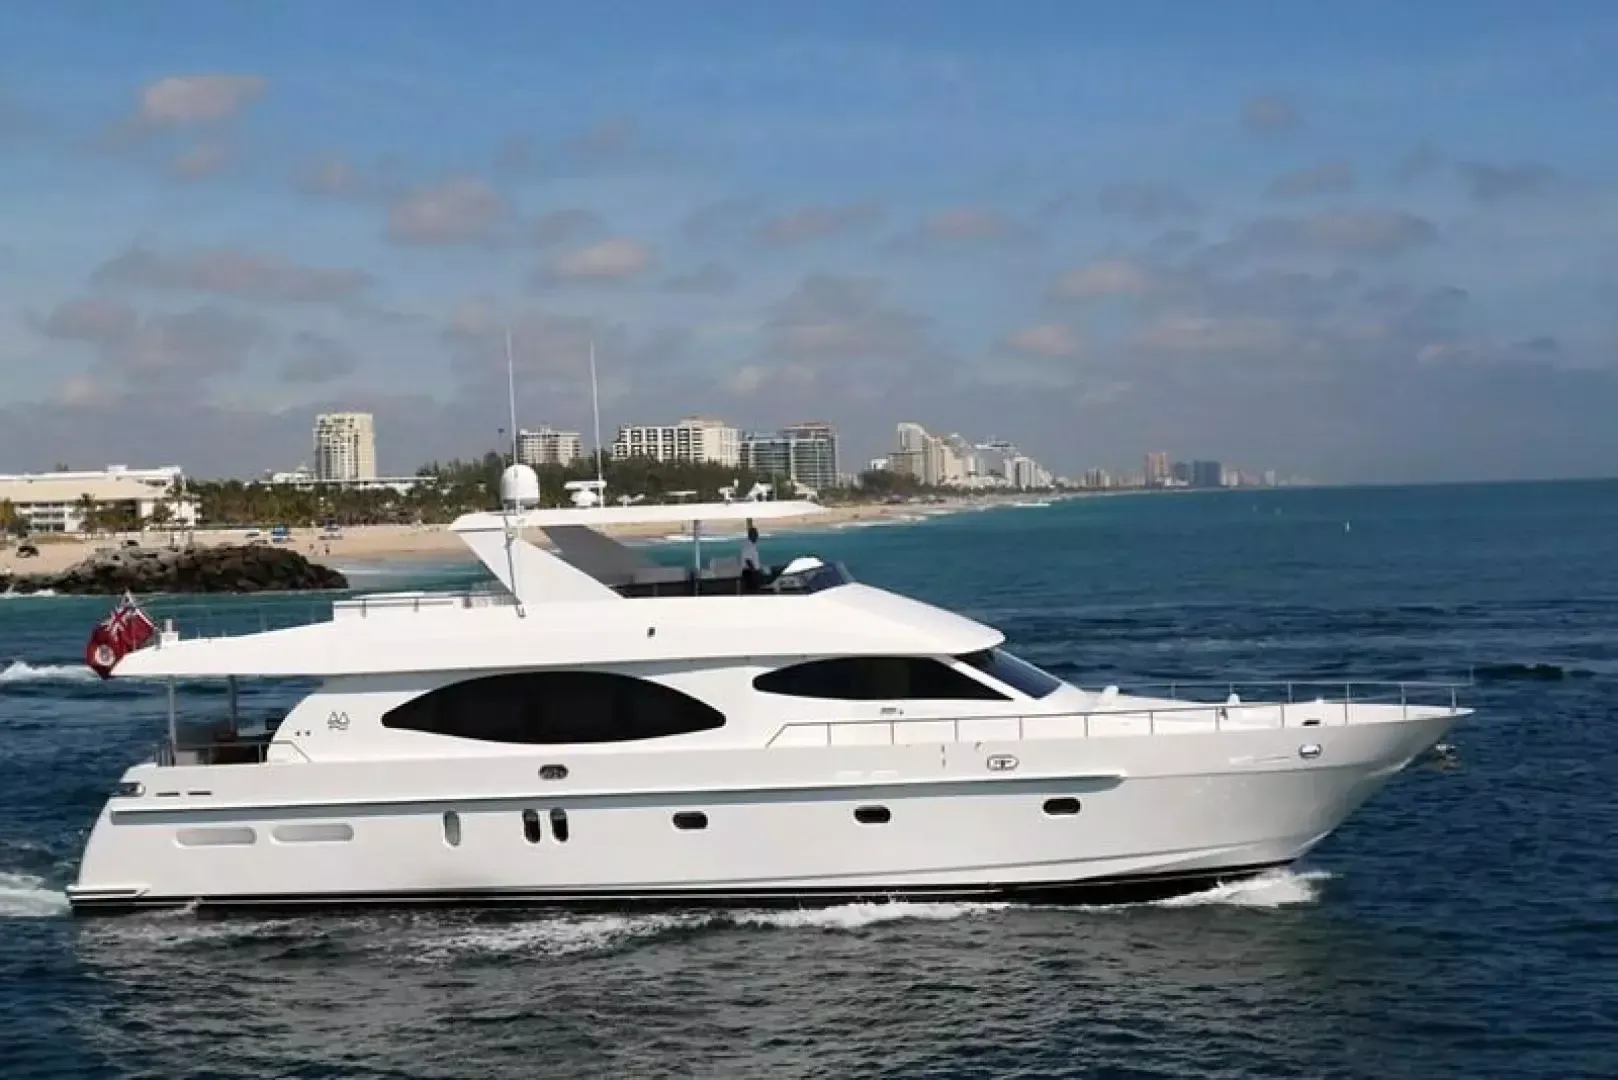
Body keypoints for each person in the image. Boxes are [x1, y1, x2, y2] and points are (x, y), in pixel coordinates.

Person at [739, 522, 762, 592]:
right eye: (755, 534)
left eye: (757, 534)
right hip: (750, 573)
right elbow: (748, 560)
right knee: (752, 592)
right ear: (750, 535)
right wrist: (754, 572)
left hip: (752, 572)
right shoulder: (748, 546)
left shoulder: (751, 545)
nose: (757, 536)